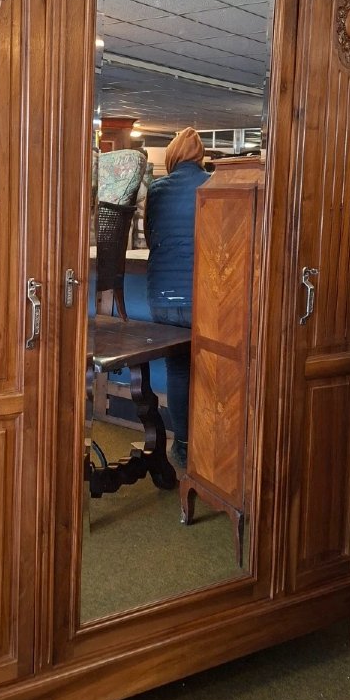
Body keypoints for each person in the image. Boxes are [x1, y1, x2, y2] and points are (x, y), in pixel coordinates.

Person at [144, 127, 210, 468]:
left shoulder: (156, 190)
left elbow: (150, 235)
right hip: (204, 297)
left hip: (162, 298)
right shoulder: (213, 186)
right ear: (200, 157)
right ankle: (211, 448)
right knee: (212, 368)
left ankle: (182, 445)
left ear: (171, 156)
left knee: (178, 370)